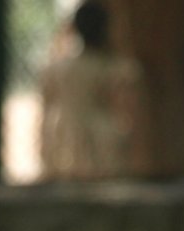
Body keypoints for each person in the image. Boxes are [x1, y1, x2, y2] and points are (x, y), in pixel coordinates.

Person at [39, 0, 143, 181]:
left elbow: (46, 109)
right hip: (103, 147)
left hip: (63, 144)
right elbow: (127, 112)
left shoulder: (57, 70)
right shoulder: (118, 70)